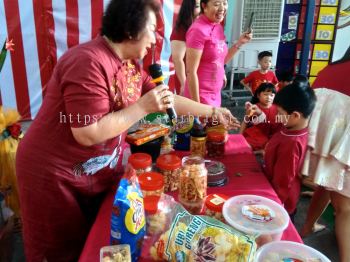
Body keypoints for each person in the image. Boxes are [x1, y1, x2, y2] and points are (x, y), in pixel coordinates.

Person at [15, 0, 240, 261]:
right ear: (131, 29)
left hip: (89, 169)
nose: (157, 38)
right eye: (153, 29)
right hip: (53, 174)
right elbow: (88, 132)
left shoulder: (129, 64)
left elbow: (165, 97)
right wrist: (143, 107)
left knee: (89, 239)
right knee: (59, 249)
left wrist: (213, 112)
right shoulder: (88, 61)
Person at [300, 45, 350, 262]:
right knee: (345, 208)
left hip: (321, 133)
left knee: (326, 180)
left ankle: (308, 227)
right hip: (341, 134)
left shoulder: (328, 69)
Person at [262, 83, 316, 221]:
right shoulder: (293, 128)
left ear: (296, 115)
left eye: (280, 113)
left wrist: (274, 204)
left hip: (280, 201)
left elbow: (283, 180)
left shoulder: (291, 143)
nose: (277, 115)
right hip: (282, 190)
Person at [183, 0, 252, 107]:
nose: (222, 8)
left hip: (215, 94)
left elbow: (220, 60)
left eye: (224, 3)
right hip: (200, 96)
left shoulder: (217, 26)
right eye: (216, 4)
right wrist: (197, 107)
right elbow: (191, 72)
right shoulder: (197, 30)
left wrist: (240, 43)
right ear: (204, 6)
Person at [170, 0, 200, 95]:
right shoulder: (182, 29)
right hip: (188, 78)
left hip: (203, 78)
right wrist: (184, 84)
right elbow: (177, 59)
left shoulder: (204, 26)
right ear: (188, 8)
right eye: (198, 6)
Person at [240, 83, 278, 151]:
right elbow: (245, 122)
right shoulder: (254, 108)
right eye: (265, 94)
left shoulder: (278, 109)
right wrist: (240, 136)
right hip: (256, 136)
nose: (268, 97)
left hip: (272, 137)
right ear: (258, 95)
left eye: (271, 95)